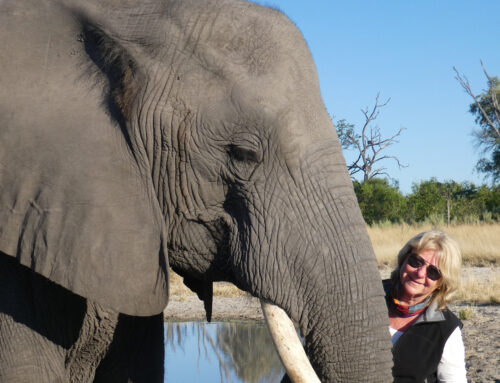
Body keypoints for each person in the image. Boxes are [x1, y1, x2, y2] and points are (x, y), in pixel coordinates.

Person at [384, 230, 467, 382]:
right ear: (404, 259)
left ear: (442, 283)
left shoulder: (446, 329)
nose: (420, 273)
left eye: (433, 272)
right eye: (416, 262)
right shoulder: (369, 296)